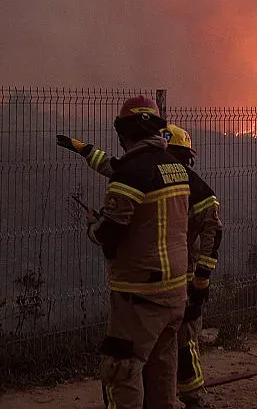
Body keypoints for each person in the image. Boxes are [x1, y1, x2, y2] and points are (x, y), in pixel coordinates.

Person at [59, 123, 222, 409]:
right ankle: (186, 397)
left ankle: (189, 396)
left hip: (156, 281)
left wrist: (200, 281)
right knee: (172, 348)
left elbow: (117, 170)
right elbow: (115, 166)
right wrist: (85, 150)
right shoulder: (179, 178)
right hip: (177, 277)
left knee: (126, 359)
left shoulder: (161, 175)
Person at [80, 95, 190, 408]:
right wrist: (85, 151)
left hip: (138, 296)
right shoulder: (175, 167)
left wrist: (93, 225)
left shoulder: (129, 175)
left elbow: (109, 233)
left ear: (124, 134)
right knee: (162, 375)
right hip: (175, 294)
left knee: (122, 372)